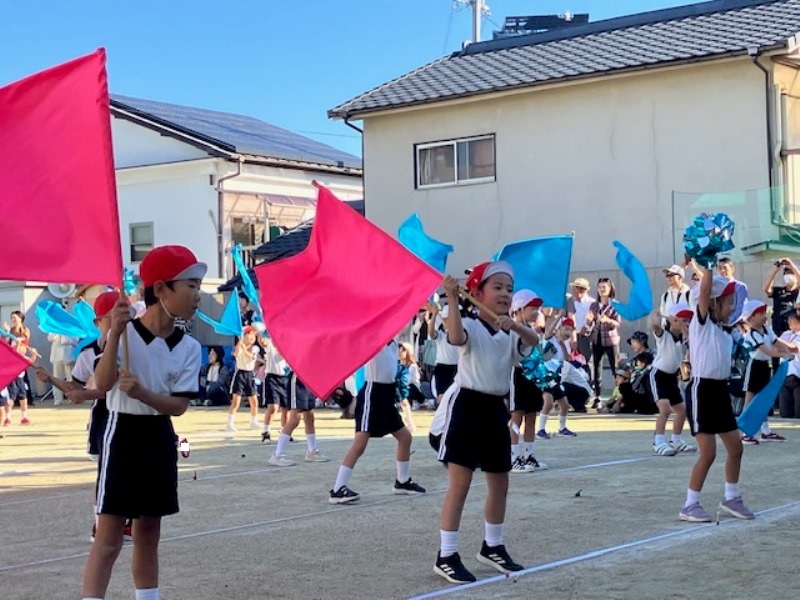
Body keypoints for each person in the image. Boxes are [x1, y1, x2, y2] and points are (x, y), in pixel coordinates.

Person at [82, 245, 205, 600]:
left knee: (148, 532)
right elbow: (102, 385)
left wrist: (144, 394)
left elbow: (178, 406)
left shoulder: (188, 347)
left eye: (198, 286)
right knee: (108, 538)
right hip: (122, 434)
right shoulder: (124, 333)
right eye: (191, 286)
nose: (198, 295)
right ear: (162, 289)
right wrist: (116, 334)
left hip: (158, 436)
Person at [434, 261, 539, 585]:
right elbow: (455, 335)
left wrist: (515, 326)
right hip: (467, 407)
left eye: (509, 288)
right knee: (460, 485)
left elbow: (533, 341)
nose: (505, 294)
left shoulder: (510, 331)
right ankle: (446, 554)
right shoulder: (470, 324)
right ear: (477, 292)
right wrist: (452, 298)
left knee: (500, 482)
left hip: (496, 408)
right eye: (497, 287)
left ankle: (492, 546)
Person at [680, 270, 754, 523]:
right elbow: (703, 291)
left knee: (735, 446)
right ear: (713, 302)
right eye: (728, 301)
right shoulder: (701, 323)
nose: (732, 306)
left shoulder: (725, 330)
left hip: (720, 390)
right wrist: (709, 265)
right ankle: (690, 504)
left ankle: (731, 497)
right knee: (708, 452)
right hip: (701, 390)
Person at [328, 337, 425, 505]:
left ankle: (402, 482)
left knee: (405, 438)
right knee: (360, 444)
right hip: (372, 394)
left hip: (387, 395)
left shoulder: (393, 342)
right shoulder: (373, 340)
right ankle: (338, 489)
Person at [740, 299, 795, 443]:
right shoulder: (752, 334)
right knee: (750, 399)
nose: (764, 316)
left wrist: (792, 348)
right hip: (754, 367)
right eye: (760, 313)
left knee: (764, 398)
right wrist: (784, 354)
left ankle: (765, 431)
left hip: (765, 366)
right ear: (751, 317)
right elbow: (768, 351)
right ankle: (745, 432)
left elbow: (778, 343)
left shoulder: (767, 329)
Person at [648, 304, 695, 456]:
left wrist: (684, 328)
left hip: (671, 377)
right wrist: (656, 314)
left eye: (688, 320)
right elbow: (654, 324)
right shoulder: (664, 335)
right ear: (673, 320)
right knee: (665, 409)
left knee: (682, 411)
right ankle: (659, 441)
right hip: (658, 375)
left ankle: (676, 439)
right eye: (682, 319)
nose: (686, 322)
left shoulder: (684, 338)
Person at [508, 290, 548, 473]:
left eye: (537, 308)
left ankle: (528, 455)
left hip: (533, 378)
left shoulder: (531, 330)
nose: (536, 311)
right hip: (517, 376)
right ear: (519, 308)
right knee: (517, 416)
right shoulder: (512, 330)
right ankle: (513, 457)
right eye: (532, 307)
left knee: (531, 415)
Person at [267, 371, 329, 466]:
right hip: (298, 379)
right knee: (295, 419)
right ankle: (277, 455)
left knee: (309, 417)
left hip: (310, 379)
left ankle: (312, 451)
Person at [536, 317, 579, 438]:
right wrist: (558, 316)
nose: (568, 332)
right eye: (566, 329)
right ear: (558, 329)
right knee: (548, 403)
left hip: (557, 377)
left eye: (570, 330)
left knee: (565, 405)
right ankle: (541, 430)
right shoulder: (551, 339)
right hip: (546, 375)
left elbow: (566, 358)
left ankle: (562, 428)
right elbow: (548, 332)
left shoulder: (564, 344)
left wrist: (562, 345)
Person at [588, 278, 621, 407]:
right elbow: (589, 324)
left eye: (604, 287)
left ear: (610, 289)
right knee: (596, 368)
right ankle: (597, 397)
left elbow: (618, 323)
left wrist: (608, 320)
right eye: (600, 287)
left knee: (615, 368)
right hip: (597, 339)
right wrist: (589, 321)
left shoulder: (615, 305)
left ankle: (618, 395)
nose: (602, 290)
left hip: (611, 340)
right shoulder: (594, 305)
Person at [226, 327, 262, 432]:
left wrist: (243, 347)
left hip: (250, 374)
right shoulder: (239, 346)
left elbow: (251, 356)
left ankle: (254, 421)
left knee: (254, 400)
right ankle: (230, 423)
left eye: (254, 336)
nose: (252, 338)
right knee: (236, 401)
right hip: (240, 373)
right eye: (250, 335)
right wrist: (240, 342)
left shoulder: (255, 348)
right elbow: (237, 354)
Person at [427, 304, 459, 406]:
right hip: (442, 368)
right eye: (445, 319)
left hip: (457, 367)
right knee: (442, 397)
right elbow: (431, 333)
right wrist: (434, 315)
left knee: (456, 396)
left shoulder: (460, 335)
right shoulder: (441, 335)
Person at [764, 258, 800, 336]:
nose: (788, 275)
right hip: (777, 327)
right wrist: (775, 270)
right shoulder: (779, 291)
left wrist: (791, 265)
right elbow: (766, 289)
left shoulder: (797, 292)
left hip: (792, 328)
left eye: (791, 273)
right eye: (786, 273)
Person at [566, 277, 595, 364]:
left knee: (586, 361)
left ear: (587, 290)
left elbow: (593, 319)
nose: (578, 291)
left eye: (582, 288)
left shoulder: (592, 302)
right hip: (570, 335)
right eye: (576, 287)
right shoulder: (569, 301)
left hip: (585, 337)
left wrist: (586, 327)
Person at [716, 257, 748, 325]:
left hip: (734, 324)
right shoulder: (715, 287)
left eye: (725, 268)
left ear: (732, 269)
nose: (722, 271)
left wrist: (727, 322)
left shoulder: (740, 287)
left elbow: (741, 308)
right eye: (720, 268)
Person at [48, 333, 77, 406]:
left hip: (68, 354)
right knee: (56, 378)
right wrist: (57, 334)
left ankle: (72, 398)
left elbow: (76, 340)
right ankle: (58, 399)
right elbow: (49, 338)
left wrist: (66, 339)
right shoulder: (55, 327)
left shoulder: (71, 327)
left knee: (70, 378)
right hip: (56, 355)